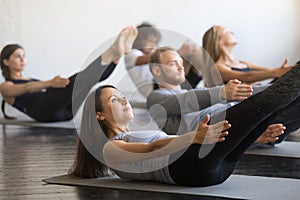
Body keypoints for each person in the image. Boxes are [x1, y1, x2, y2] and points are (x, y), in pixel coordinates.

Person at [70, 62, 300, 186]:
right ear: (100, 115)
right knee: (262, 104)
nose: (124, 100)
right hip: (187, 169)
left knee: (267, 114)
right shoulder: (110, 148)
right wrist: (193, 137)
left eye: (122, 95)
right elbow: (152, 149)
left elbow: (166, 143)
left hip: (213, 169)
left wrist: (254, 136)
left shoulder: (132, 135)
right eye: (114, 100)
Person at [147, 46, 297, 145]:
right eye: (173, 64)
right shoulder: (156, 99)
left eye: (181, 63)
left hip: (250, 126)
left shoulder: (195, 92)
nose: (181, 68)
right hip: (239, 122)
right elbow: (185, 101)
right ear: (157, 71)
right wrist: (221, 93)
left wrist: (253, 138)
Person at [0, 26, 138, 122]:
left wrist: (51, 84)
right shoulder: (5, 86)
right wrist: (50, 83)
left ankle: (117, 54)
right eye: (18, 56)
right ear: (6, 61)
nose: (23, 60)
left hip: (66, 113)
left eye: (24, 56)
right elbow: (27, 88)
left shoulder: (30, 79)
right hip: (44, 112)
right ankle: (113, 50)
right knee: (79, 78)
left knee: (87, 81)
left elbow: (33, 85)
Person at [125, 22, 202, 97]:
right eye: (151, 41)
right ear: (139, 40)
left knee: (192, 55)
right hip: (156, 89)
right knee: (185, 54)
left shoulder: (152, 52)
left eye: (156, 42)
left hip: (168, 84)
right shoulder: (132, 54)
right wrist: (179, 52)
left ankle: (207, 73)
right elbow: (154, 58)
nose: (153, 45)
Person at [201, 25, 294, 86]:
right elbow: (245, 77)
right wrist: (277, 72)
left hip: (261, 93)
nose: (232, 32)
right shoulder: (217, 67)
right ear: (218, 42)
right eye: (226, 31)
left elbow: (271, 71)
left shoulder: (244, 63)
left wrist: (283, 71)